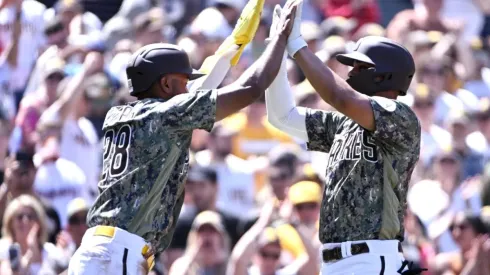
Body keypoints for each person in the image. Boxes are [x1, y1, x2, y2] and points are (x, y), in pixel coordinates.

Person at [67, 1, 299, 274]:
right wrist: (279, 41)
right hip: (118, 254)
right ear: (165, 84)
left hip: (102, 248)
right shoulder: (165, 115)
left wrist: (233, 45)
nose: (189, 86)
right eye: (183, 80)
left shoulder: (119, 115)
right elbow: (251, 88)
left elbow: (197, 89)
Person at [266, 0, 423, 274]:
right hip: (333, 261)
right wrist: (276, 52)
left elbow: (339, 96)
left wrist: (298, 47)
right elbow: (282, 116)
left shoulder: (400, 116)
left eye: (360, 67)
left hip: (373, 259)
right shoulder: (345, 122)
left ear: (384, 76)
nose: (350, 73)